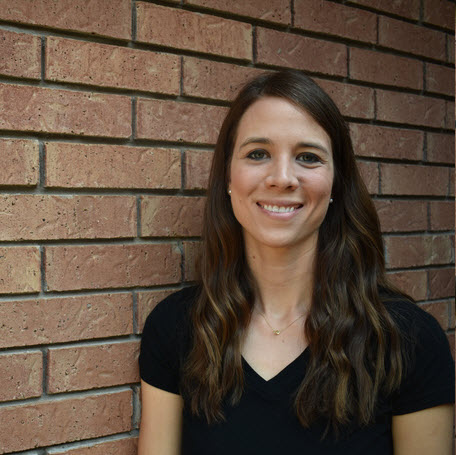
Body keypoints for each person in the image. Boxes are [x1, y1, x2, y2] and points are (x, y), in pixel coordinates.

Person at [138, 70, 455, 454]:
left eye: (308, 157)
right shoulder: (176, 328)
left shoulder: (407, 340)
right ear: (227, 177)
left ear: (337, 182)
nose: (283, 177)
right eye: (258, 154)